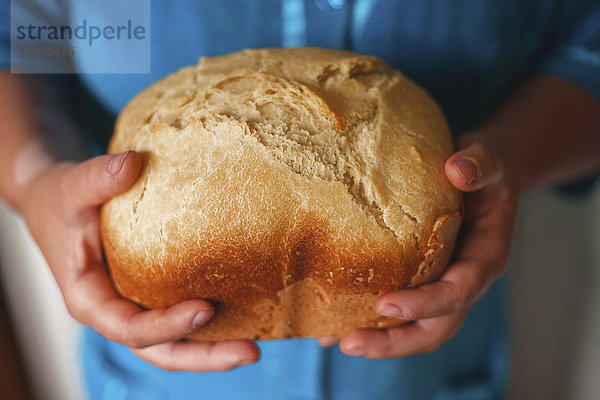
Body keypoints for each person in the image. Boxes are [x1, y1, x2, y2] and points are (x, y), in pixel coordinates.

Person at [1, 1, 599, 399]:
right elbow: (18, 37)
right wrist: (32, 178)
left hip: (426, 376)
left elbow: (587, 39)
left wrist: (512, 157)